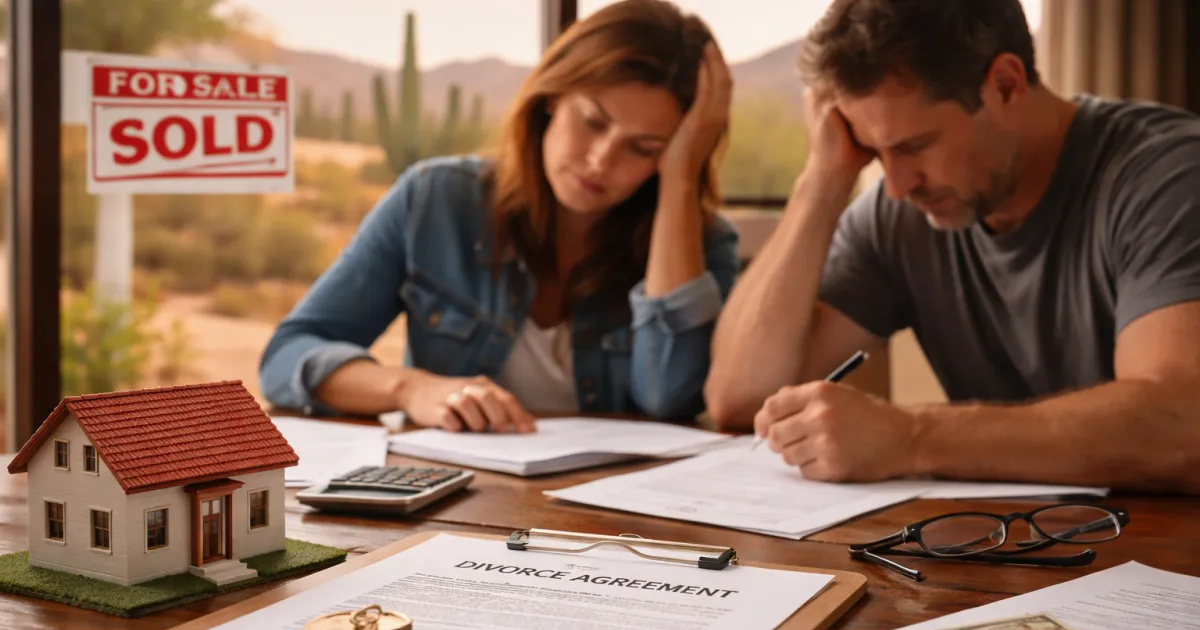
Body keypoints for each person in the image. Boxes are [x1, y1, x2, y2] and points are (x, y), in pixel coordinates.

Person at [704, 0, 1200, 493]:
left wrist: (910, 436)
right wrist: (822, 183)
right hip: (1014, 549)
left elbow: (1183, 427)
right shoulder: (896, 215)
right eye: (873, 152)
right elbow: (741, 397)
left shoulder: (1167, 177)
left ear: (1006, 85)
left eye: (914, 145)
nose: (896, 185)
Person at [260, 0, 738, 433]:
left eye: (643, 148)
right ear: (552, 97)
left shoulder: (703, 244)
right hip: (456, 499)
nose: (600, 161)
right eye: (592, 122)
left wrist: (679, 181)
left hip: (612, 519)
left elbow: (668, 398)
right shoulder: (435, 200)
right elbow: (287, 355)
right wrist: (412, 388)